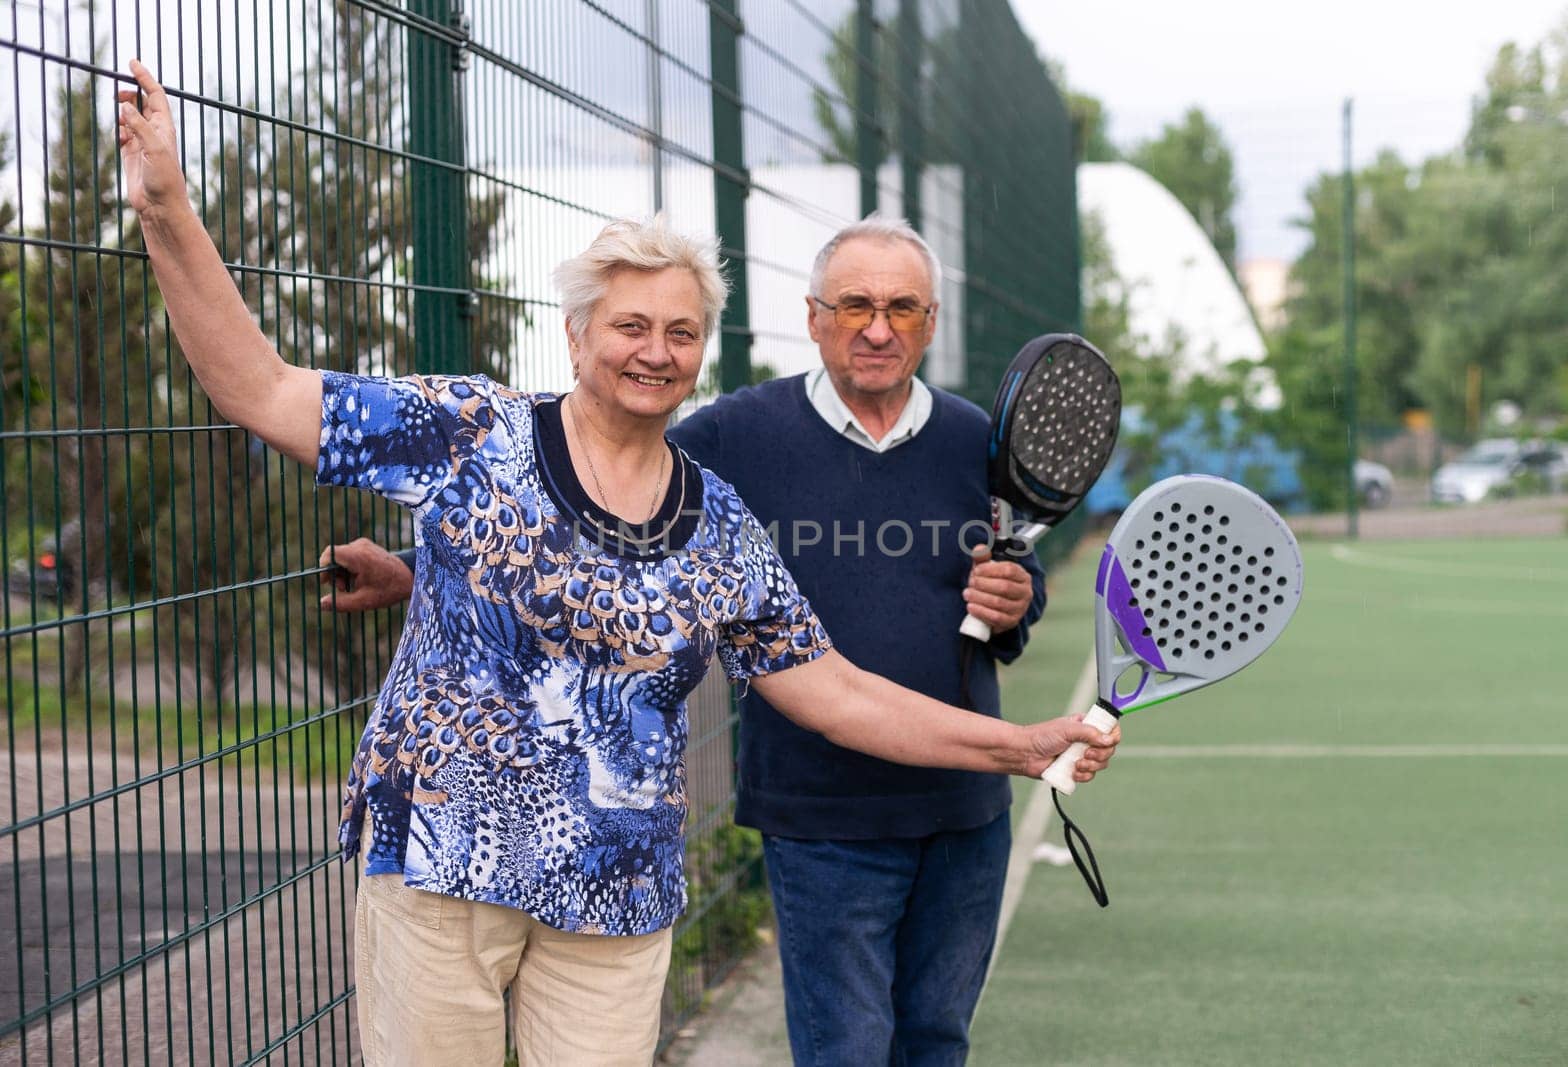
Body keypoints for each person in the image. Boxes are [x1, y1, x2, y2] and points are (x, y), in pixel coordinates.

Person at [116, 61, 1117, 1067]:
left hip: (613, 895)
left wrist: (1022, 745)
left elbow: (842, 693)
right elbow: (260, 389)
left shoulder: (719, 524)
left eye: (680, 331)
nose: (656, 351)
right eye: (631, 326)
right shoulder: (473, 431)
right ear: (578, 333)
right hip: (439, 865)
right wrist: (166, 209)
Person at [324, 214, 1107, 1064]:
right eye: (854, 305)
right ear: (813, 317)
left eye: (903, 308)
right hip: (820, 810)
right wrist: (412, 566)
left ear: (931, 322)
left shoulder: (974, 442)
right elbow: (586, 515)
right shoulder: (734, 435)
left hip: (960, 808)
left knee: (937, 1042)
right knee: (847, 1049)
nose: (878, 327)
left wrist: (1011, 605)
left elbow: (1001, 612)